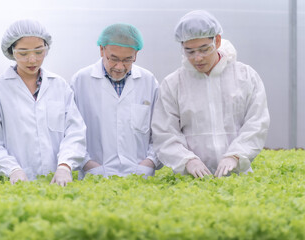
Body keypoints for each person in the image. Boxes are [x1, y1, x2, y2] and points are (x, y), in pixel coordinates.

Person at [152, 10, 270, 178]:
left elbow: (257, 122)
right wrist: (187, 161)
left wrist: (235, 155)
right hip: (191, 178)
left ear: (218, 41)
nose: (198, 58)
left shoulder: (245, 76)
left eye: (204, 49)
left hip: (238, 177)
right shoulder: (174, 84)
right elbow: (164, 131)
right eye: (190, 52)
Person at [0, 19, 87, 186]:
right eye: (23, 53)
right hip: (17, 186)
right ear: (11, 51)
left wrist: (65, 165)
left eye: (39, 51)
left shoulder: (59, 85)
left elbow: (75, 131)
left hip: (59, 184)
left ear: (46, 49)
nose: (32, 60)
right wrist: (12, 169)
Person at [71, 23, 161, 179]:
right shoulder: (81, 80)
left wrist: (150, 162)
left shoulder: (148, 81)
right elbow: (69, 131)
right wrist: (87, 163)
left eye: (127, 59)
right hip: (94, 175)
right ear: (101, 50)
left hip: (141, 177)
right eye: (113, 59)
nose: (120, 67)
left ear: (136, 54)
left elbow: (161, 130)